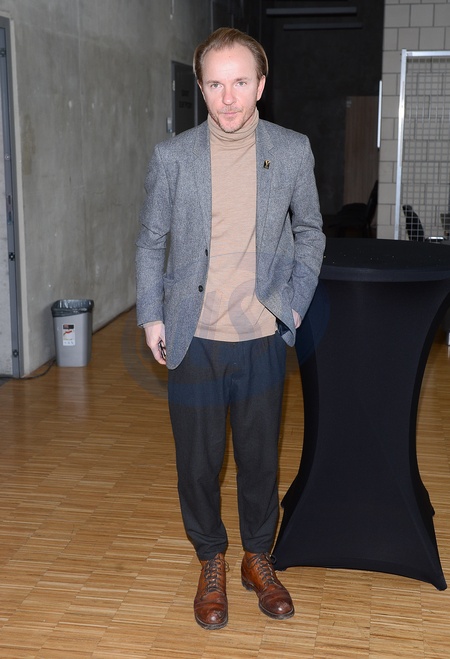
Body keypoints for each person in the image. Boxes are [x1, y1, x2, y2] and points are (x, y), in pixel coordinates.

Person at [136, 27, 325, 630]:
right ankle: (211, 558)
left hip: (262, 333)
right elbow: (152, 241)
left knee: (259, 460)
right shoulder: (173, 157)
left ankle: (256, 557)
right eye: (215, 84)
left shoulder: (291, 150)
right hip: (193, 336)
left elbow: (310, 232)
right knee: (198, 463)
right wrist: (151, 314)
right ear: (201, 87)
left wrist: (294, 305)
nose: (228, 97)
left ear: (261, 85)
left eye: (240, 81)